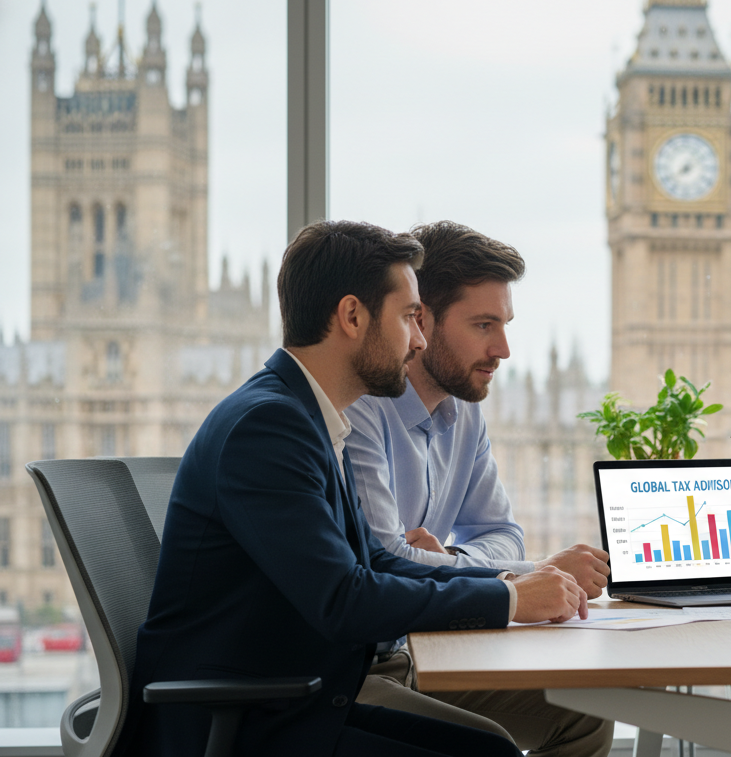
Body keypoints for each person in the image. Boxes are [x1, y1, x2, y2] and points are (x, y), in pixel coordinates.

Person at [119, 221, 588, 757]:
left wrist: (512, 585)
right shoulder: (269, 427)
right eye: (410, 317)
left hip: (298, 696)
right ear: (351, 316)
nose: (418, 339)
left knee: (492, 747)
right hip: (246, 719)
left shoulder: (306, 415)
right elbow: (344, 599)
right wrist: (506, 597)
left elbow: (375, 565)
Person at [345, 220, 614, 757]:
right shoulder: (361, 411)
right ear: (421, 321)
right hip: (356, 665)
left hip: (421, 649)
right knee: (485, 744)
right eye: (484, 325)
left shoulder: (464, 415)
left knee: (587, 716)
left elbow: (502, 533)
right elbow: (385, 562)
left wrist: (455, 558)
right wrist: (522, 582)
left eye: (505, 324)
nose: (504, 349)